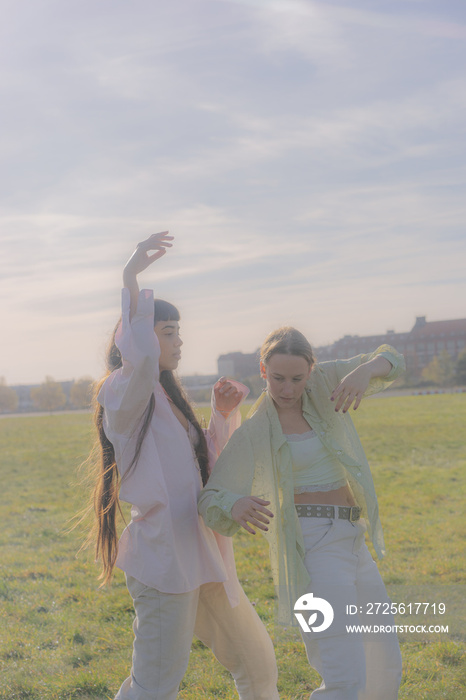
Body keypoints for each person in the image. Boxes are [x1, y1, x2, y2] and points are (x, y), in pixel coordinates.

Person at [88, 232, 279, 700]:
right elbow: (145, 360)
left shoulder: (168, 397)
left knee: (258, 666)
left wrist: (220, 414)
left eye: (178, 331)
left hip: (204, 553)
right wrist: (131, 277)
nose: (178, 341)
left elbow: (204, 473)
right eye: (167, 331)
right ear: (135, 339)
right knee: (155, 687)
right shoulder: (122, 393)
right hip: (162, 560)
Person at [198, 326, 405, 699]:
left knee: (384, 662)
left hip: (352, 539)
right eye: (277, 378)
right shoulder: (255, 430)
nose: (288, 389)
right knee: (343, 676)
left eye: (297, 377)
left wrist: (365, 369)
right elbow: (210, 498)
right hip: (312, 546)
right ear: (263, 371)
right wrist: (235, 503)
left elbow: (394, 359)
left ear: (312, 369)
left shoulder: (326, 382)